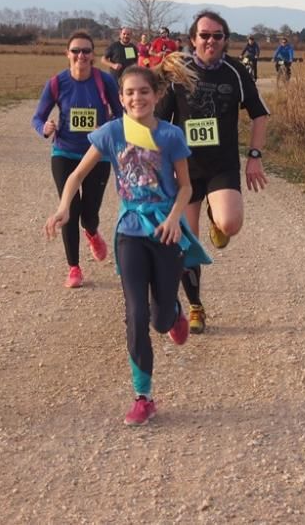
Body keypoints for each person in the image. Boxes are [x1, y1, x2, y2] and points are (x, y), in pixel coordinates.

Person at [45, 56, 210, 425]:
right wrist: (63, 208)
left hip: (165, 230)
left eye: (144, 92)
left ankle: (175, 314)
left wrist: (172, 219)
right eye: (130, 93)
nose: (138, 98)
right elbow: (76, 174)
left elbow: (186, 187)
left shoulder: (170, 135)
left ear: (157, 94)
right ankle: (143, 397)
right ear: (121, 98)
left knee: (159, 318)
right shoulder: (111, 132)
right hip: (130, 232)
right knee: (135, 314)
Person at [155, 10, 270, 334]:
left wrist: (255, 156)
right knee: (186, 244)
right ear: (193, 39)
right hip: (185, 170)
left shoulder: (235, 71)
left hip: (221, 166)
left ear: (225, 40)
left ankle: (216, 219)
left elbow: (259, 114)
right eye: (204, 35)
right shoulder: (179, 71)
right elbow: (159, 120)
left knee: (230, 224)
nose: (210, 40)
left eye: (217, 35)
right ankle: (195, 306)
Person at [32, 31, 124, 288]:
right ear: (67, 54)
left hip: (97, 154)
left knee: (89, 213)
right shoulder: (57, 83)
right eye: (76, 51)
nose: (81, 55)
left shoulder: (104, 81)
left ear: (93, 55)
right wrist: (45, 128)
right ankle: (74, 267)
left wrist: (106, 128)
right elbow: (37, 118)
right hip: (64, 152)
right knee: (69, 209)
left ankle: (92, 232)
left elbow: (121, 115)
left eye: (86, 51)